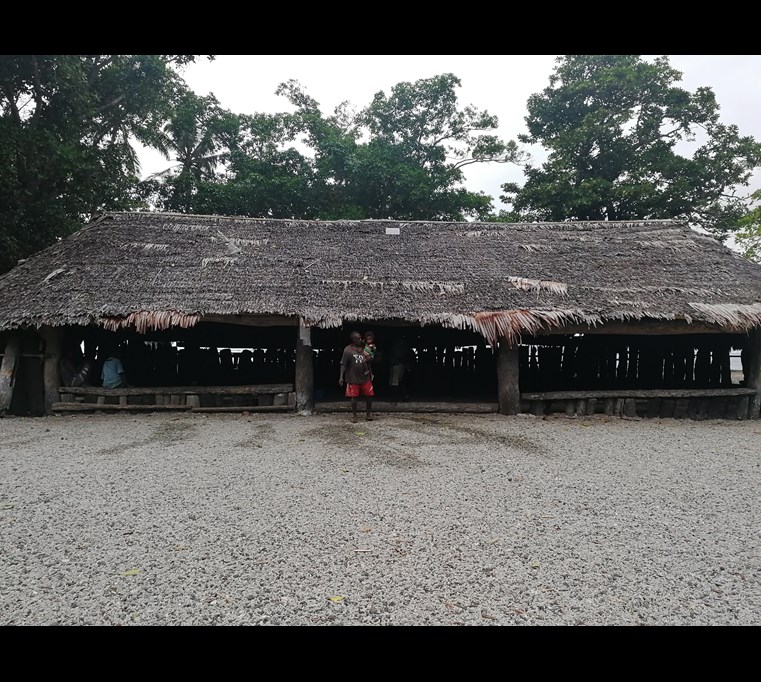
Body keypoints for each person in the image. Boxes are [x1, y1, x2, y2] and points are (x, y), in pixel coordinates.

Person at [339, 330, 374, 423]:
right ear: (353, 340)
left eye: (360, 338)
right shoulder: (348, 350)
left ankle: (368, 414)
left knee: (369, 396)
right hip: (353, 378)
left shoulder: (366, 348)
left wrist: (370, 359)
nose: (360, 340)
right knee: (354, 397)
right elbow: (343, 364)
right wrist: (341, 377)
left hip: (365, 377)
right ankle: (355, 416)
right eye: (358, 338)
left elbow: (372, 359)